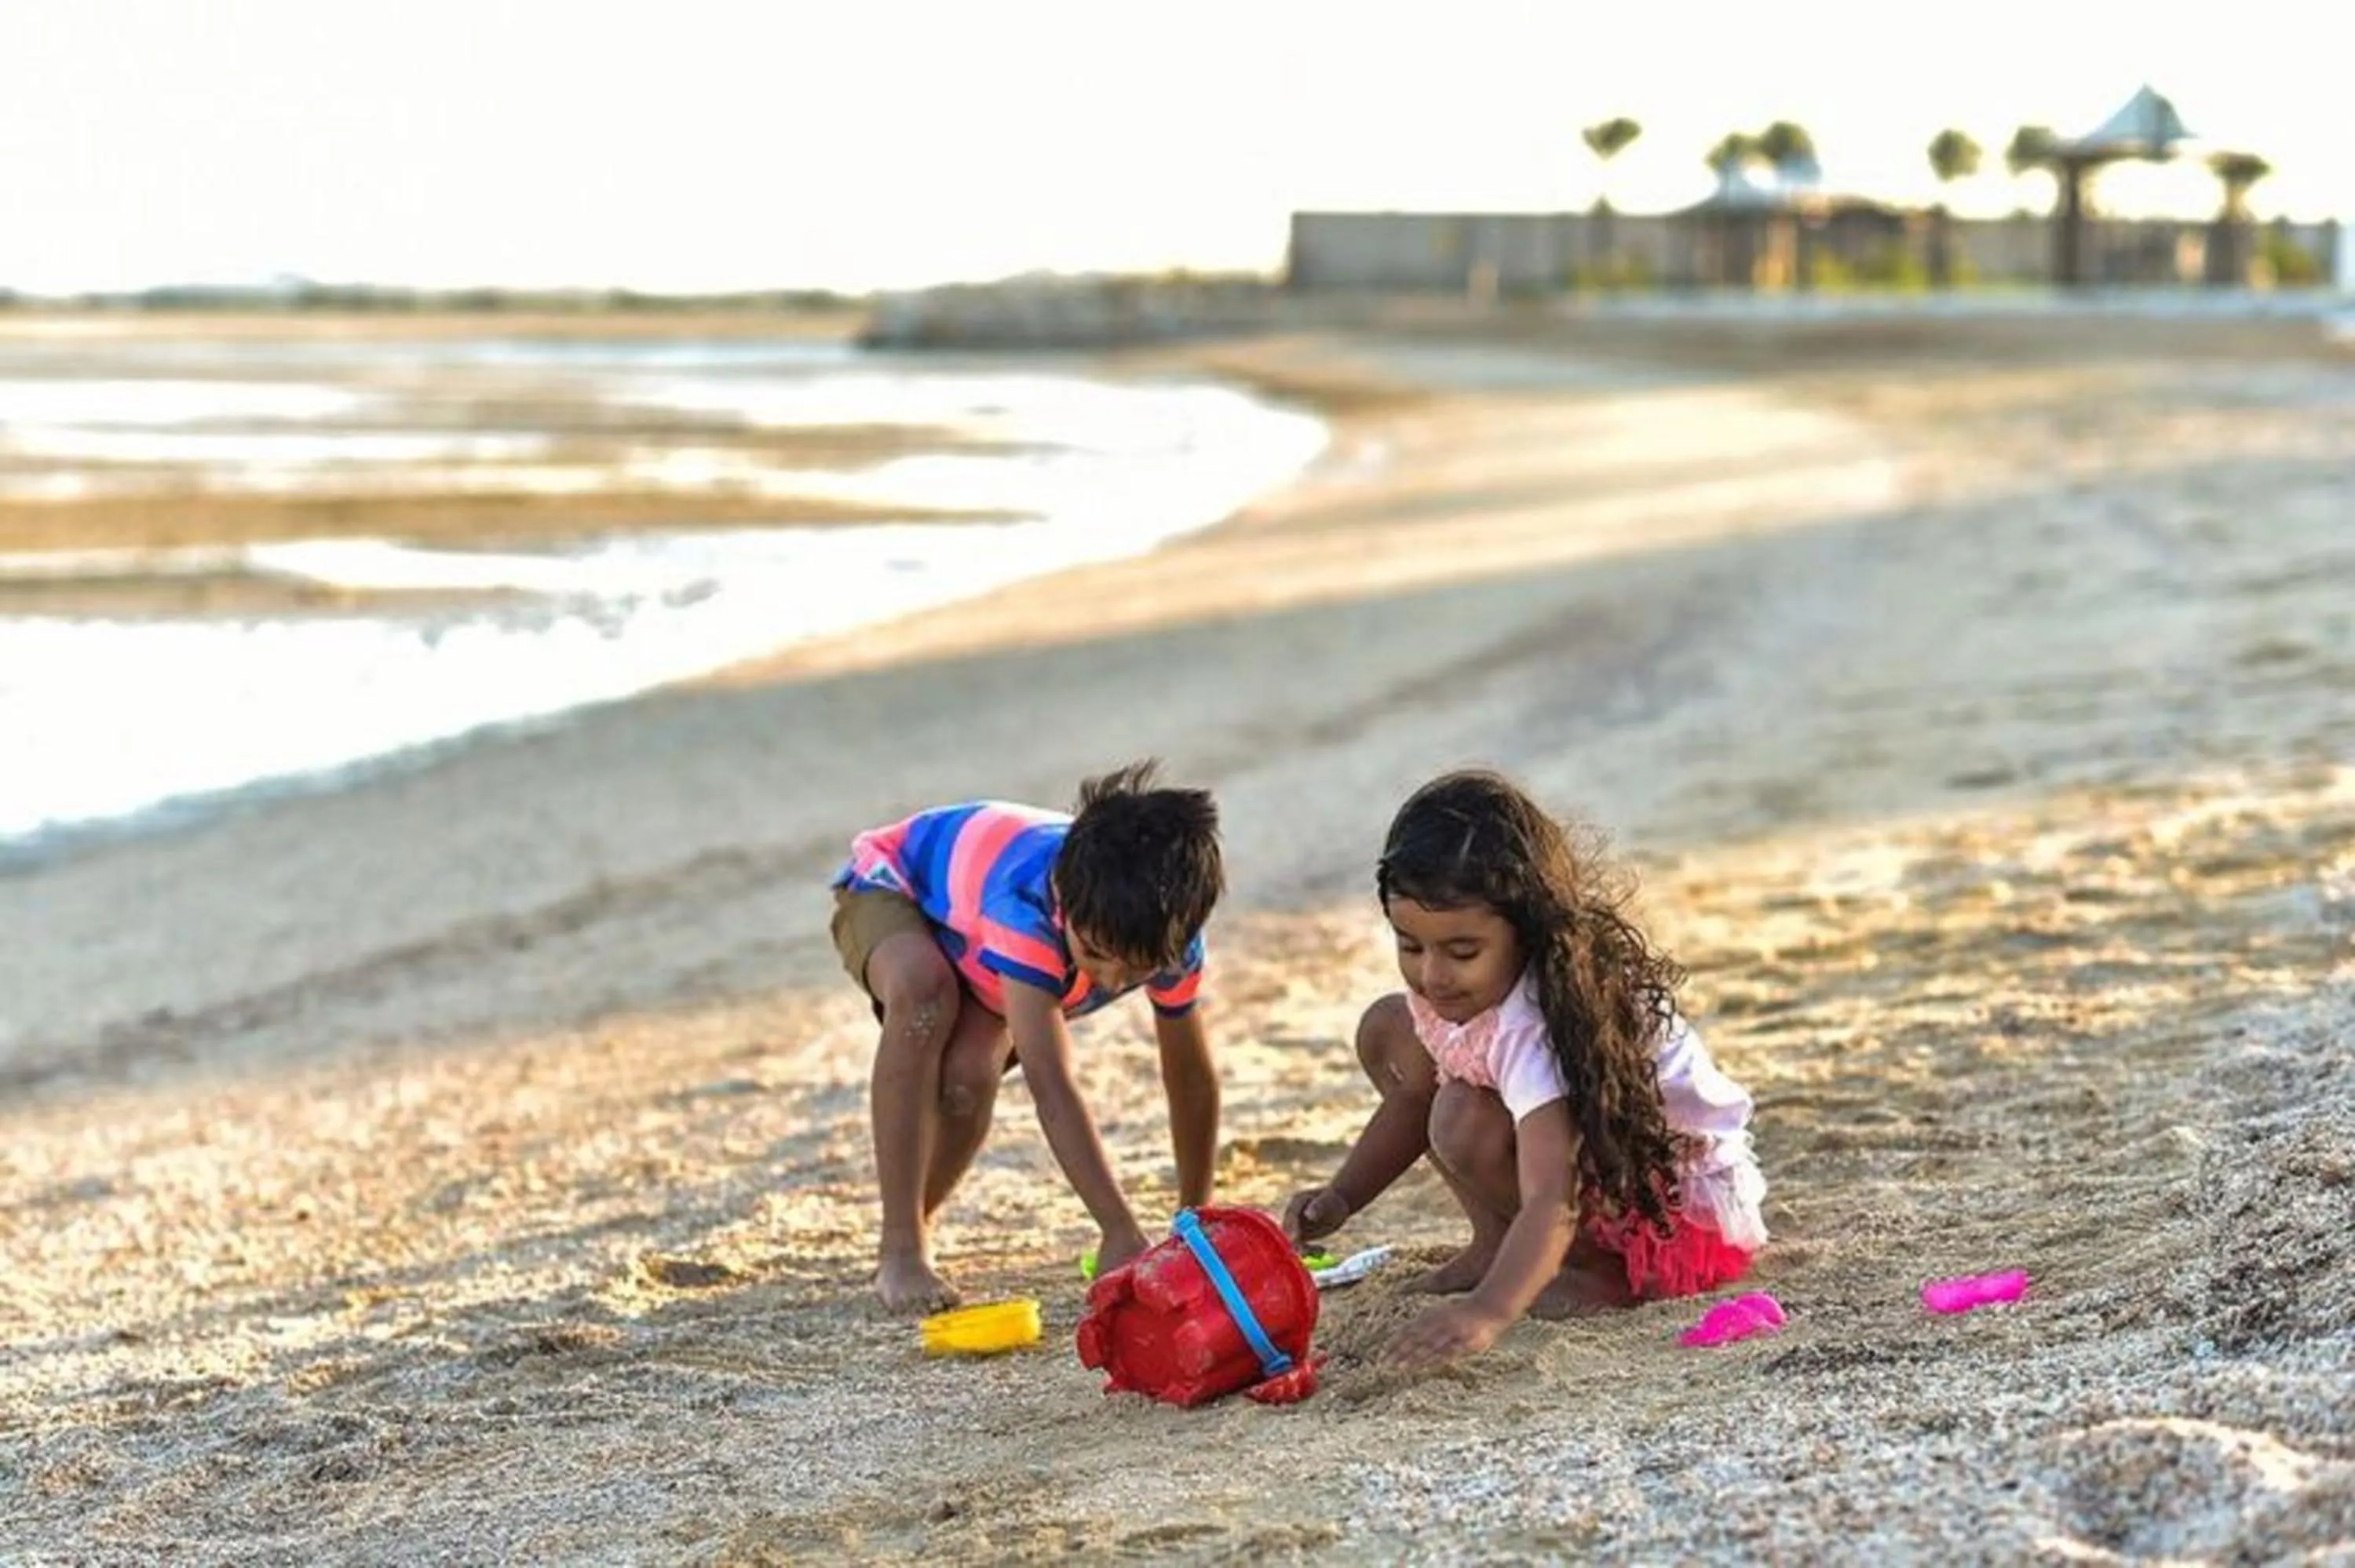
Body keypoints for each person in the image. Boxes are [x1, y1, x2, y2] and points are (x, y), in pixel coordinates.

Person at [1283, 769, 1766, 1367]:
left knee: (1461, 1115)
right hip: (1594, 1165)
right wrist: (1342, 1196)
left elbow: (1550, 1199)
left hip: (1660, 1204)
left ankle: (1596, 1270)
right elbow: (1411, 1100)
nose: (1432, 976)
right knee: (1391, 1030)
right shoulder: (1457, 987)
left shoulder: (1533, 1024)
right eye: (1410, 946)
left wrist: (1488, 1310)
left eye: (1462, 952)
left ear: (1527, 933)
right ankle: (1494, 1242)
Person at [830, 760, 1225, 1313]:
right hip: (897, 883)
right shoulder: (1026, 906)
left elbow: (1190, 1080)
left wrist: (1194, 1220)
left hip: (977, 935)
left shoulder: (1170, 938)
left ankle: (913, 1223)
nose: (1110, 980)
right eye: (1095, 954)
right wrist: (1118, 1229)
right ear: (1064, 898)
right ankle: (900, 1247)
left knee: (969, 1076)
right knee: (924, 995)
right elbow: (1051, 1083)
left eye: (1135, 969)